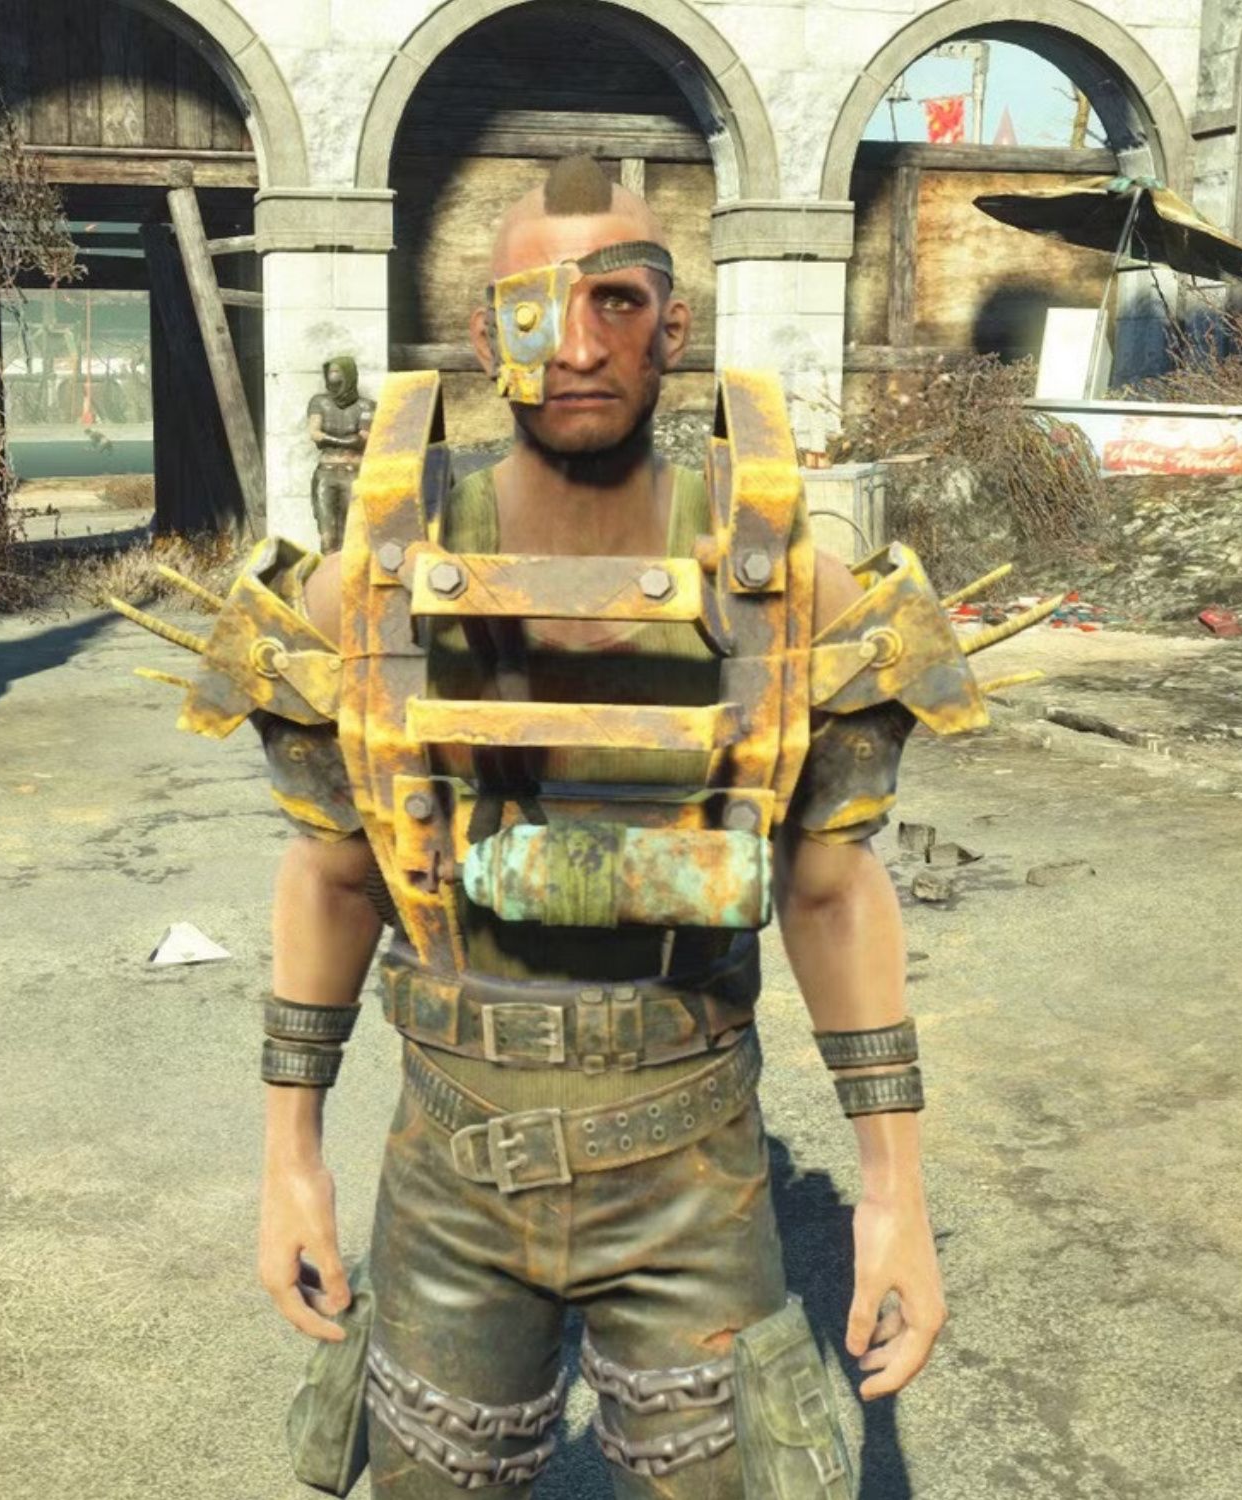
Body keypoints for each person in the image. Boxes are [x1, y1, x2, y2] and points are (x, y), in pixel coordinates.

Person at [113, 154, 1020, 1498]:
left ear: (674, 326)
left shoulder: (796, 588)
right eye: (537, 309)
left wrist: (895, 1195)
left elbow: (832, 893)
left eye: (618, 301)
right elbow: (335, 877)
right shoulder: (368, 591)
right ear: (488, 338)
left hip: (694, 1167)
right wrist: (289, 1161)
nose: (580, 346)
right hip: (451, 1170)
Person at [308, 355, 372, 545]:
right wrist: (347, 440)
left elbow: (363, 439)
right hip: (326, 474)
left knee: (352, 535)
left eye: (337, 371)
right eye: (330, 372)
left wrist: (329, 439)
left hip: (353, 475)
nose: (332, 376)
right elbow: (315, 433)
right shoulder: (319, 402)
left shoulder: (366, 406)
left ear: (348, 374)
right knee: (327, 536)